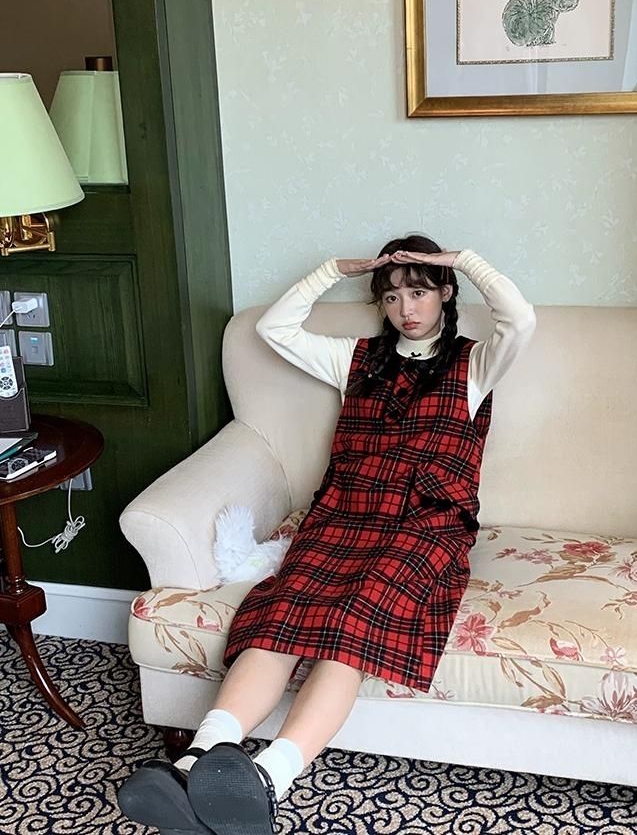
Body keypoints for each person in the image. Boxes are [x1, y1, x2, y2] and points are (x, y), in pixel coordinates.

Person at [118, 234, 536, 835]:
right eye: (392, 297)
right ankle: (194, 763)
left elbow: (520, 319)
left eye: (420, 292)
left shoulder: (476, 364)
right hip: (344, 513)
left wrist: (462, 261)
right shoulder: (354, 359)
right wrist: (332, 270)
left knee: (352, 624)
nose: (406, 309)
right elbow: (274, 329)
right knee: (282, 612)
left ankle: (269, 779)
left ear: (446, 293)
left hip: (427, 522)